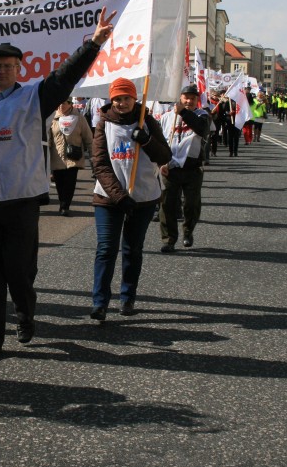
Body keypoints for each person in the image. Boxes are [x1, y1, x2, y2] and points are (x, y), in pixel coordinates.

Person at [0, 7, 116, 362]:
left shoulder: (33, 98)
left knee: (20, 274)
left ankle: (24, 315)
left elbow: (64, 77)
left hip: (21, 203)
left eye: (10, 65)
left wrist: (94, 44)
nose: (3, 70)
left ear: (19, 69)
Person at [90, 77, 171, 320]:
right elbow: (100, 164)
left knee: (132, 249)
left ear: (135, 98)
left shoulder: (147, 121)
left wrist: (145, 140)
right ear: (111, 100)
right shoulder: (103, 123)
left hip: (143, 197)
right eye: (117, 98)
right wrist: (119, 196)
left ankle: (127, 297)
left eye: (126, 98)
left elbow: (165, 155)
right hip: (109, 198)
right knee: (106, 249)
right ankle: (100, 302)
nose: (122, 102)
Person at [159, 84, 209, 252]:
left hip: (192, 168)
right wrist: (160, 163)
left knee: (191, 204)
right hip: (170, 167)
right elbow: (161, 141)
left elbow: (201, 129)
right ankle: (169, 239)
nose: (189, 101)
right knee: (167, 205)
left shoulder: (202, 115)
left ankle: (188, 231)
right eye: (186, 97)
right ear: (180, 98)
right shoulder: (167, 117)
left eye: (193, 98)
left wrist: (183, 112)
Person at [49, 98, 94, 216]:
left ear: (70, 104)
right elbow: (48, 139)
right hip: (57, 156)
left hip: (73, 157)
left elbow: (88, 138)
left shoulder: (79, 118)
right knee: (59, 183)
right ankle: (62, 202)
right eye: (58, 103)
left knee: (70, 182)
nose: (60, 106)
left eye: (63, 103)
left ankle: (65, 206)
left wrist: (93, 155)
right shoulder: (53, 118)